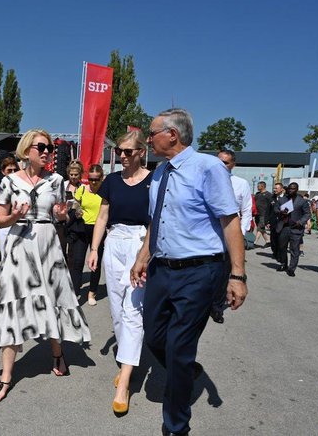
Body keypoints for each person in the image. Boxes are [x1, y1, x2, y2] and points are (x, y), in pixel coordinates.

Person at [130, 108, 248, 436]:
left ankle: (176, 426)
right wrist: (143, 256)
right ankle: (187, 369)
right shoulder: (159, 173)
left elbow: (230, 221)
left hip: (199, 271)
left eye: (152, 133)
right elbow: (157, 219)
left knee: (179, 346)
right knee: (153, 336)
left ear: (173, 135)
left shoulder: (208, 167)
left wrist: (237, 275)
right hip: (162, 270)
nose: (147, 139)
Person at [0, 129, 91, 403]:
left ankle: (57, 353)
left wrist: (62, 216)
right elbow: (1, 219)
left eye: (50, 148)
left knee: (52, 300)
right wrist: (14, 216)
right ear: (26, 149)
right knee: (13, 304)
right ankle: (6, 376)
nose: (47, 152)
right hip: (19, 245)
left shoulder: (58, 181)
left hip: (48, 244)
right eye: (41, 147)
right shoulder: (9, 182)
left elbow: (62, 214)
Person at [88, 130, 151, 415]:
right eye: (118, 152)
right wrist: (94, 249)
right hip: (113, 243)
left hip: (140, 244)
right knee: (116, 308)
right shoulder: (112, 181)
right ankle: (129, 360)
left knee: (133, 310)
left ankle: (124, 382)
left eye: (127, 152)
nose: (122, 156)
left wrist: (145, 255)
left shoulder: (154, 180)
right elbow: (102, 216)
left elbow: (156, 221)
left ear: (141, 152)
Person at [211, 150, 253, 323]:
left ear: (233, 165)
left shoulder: (240, 184)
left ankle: (217, 307)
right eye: (219, 161)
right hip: (210, 236)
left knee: (224, 273)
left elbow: (246, 210)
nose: (222, 165)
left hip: (231, 236)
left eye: (226, 163)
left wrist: (240, 234)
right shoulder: (208, 180)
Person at [68, 164, 105, 305]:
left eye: (96, 179)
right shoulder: (82, 189)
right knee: (77, 262)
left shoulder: (105, 191)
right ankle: (75, 292)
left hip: (98, 230)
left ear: (101, 178)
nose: (93, 182)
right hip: (82, 229)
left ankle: (92, 292)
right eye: (91, 179)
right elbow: (75, 203)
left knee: (95, 263)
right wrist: (77, 210)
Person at [274, 182, 310, 277]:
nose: (291, 190)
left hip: (296, 228)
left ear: (297, 189)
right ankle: (283, 264)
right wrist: (280, 212)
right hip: (284, 227)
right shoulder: (282, 199)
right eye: (289, 188)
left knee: (294, 249)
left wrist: (301, 222)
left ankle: (291, 268)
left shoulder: (302, 201)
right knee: (282, 247)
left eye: (293, 189)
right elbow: (275, 209)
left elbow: (307, 214)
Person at [268, 182, 285, 259]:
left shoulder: (286, 198)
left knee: (281, 239)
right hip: (273, 221)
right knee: (273, 239)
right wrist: (267, 221)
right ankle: (275, 251)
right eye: (274, 188)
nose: (275, 190)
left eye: (276, 188)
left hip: (283, 222)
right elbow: (268, 210)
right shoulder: (272, 198)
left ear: (281, 189)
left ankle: (279, 254)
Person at [254, 181, 272, 246]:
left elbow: (271, 205)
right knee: (261, 229)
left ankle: (254, 242)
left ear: (262, 186)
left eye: (258, 186)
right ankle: (268, 241)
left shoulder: (268, 195)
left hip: (264, 214)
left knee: (260, 228)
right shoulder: (257, 194)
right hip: (257, 214)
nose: (257, 187)